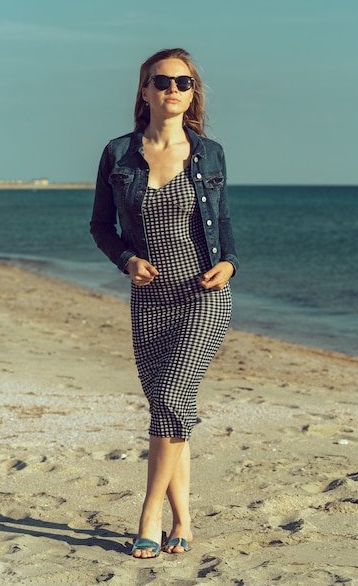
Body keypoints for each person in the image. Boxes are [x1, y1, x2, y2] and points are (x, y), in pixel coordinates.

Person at [90, 47, 239, 559]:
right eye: (163, 81)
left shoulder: (210, 153)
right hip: (149, 298)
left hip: (203, 295)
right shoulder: (117, 154)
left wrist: (232, 263)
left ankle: (149, 515)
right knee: (167, 412)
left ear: (192, 92)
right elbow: (100, 227)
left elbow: (225, 223)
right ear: (145, 90)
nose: (173, 90)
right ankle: (185, 520)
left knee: (172, 401)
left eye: (184, 82)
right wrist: (127, 260)